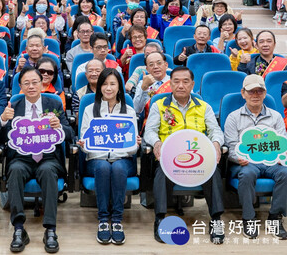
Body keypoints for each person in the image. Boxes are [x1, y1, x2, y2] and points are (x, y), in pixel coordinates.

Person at [0, 67, 74, 253]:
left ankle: (50, 230)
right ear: (20, 87)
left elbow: (71, 134)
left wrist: (59, 128)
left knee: (48, 172)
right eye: (26, 83)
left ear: (42, 84)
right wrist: (3, 121)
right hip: (21, 158)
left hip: (48, 158)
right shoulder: (13, 106)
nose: (31, 86)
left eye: (35, 82)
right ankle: (18, 229)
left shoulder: (53, 104)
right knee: (14, 171)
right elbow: (0, 139)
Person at [144, 66, 225, 244]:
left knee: (213, 172)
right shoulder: (159, 105)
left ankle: (216, 220)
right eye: (176, 81)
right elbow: (149, 131)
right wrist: (156, 143)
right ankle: (160, 219)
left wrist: (217, 143)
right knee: (161, 173)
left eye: (185, 81)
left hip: (199, 159)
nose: (181, 85)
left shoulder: (204, 107)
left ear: (192, 84)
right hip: (169, 158)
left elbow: (215, 131)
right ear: (170, 84)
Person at [79, 68, 138, 245]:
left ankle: (117, 220)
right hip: (97, 159)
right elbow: (85, 144)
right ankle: (104, 220)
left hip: (123, 159)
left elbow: (132, 149)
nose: (108, 88)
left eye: (113, 84)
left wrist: (134, 143)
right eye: (104, 84)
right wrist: (84, 144)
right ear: (99, 87)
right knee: (104, 167)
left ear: (119, 86)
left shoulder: (129, 111)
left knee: (118, 167)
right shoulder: (90, 109)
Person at [226, 75, 287, 239]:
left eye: (259, 91)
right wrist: (237, 158)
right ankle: (249, 218)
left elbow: (282, 143)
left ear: (265, 93)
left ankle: (274, 217)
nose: (255, 95)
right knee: (246, 174)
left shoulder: (275, 116)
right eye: (251, 91)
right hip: (246, 163)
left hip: (271, 161)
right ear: (243, 93)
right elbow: (231, 146)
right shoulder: (233, 117)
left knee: (285, 173)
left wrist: (282, 156)